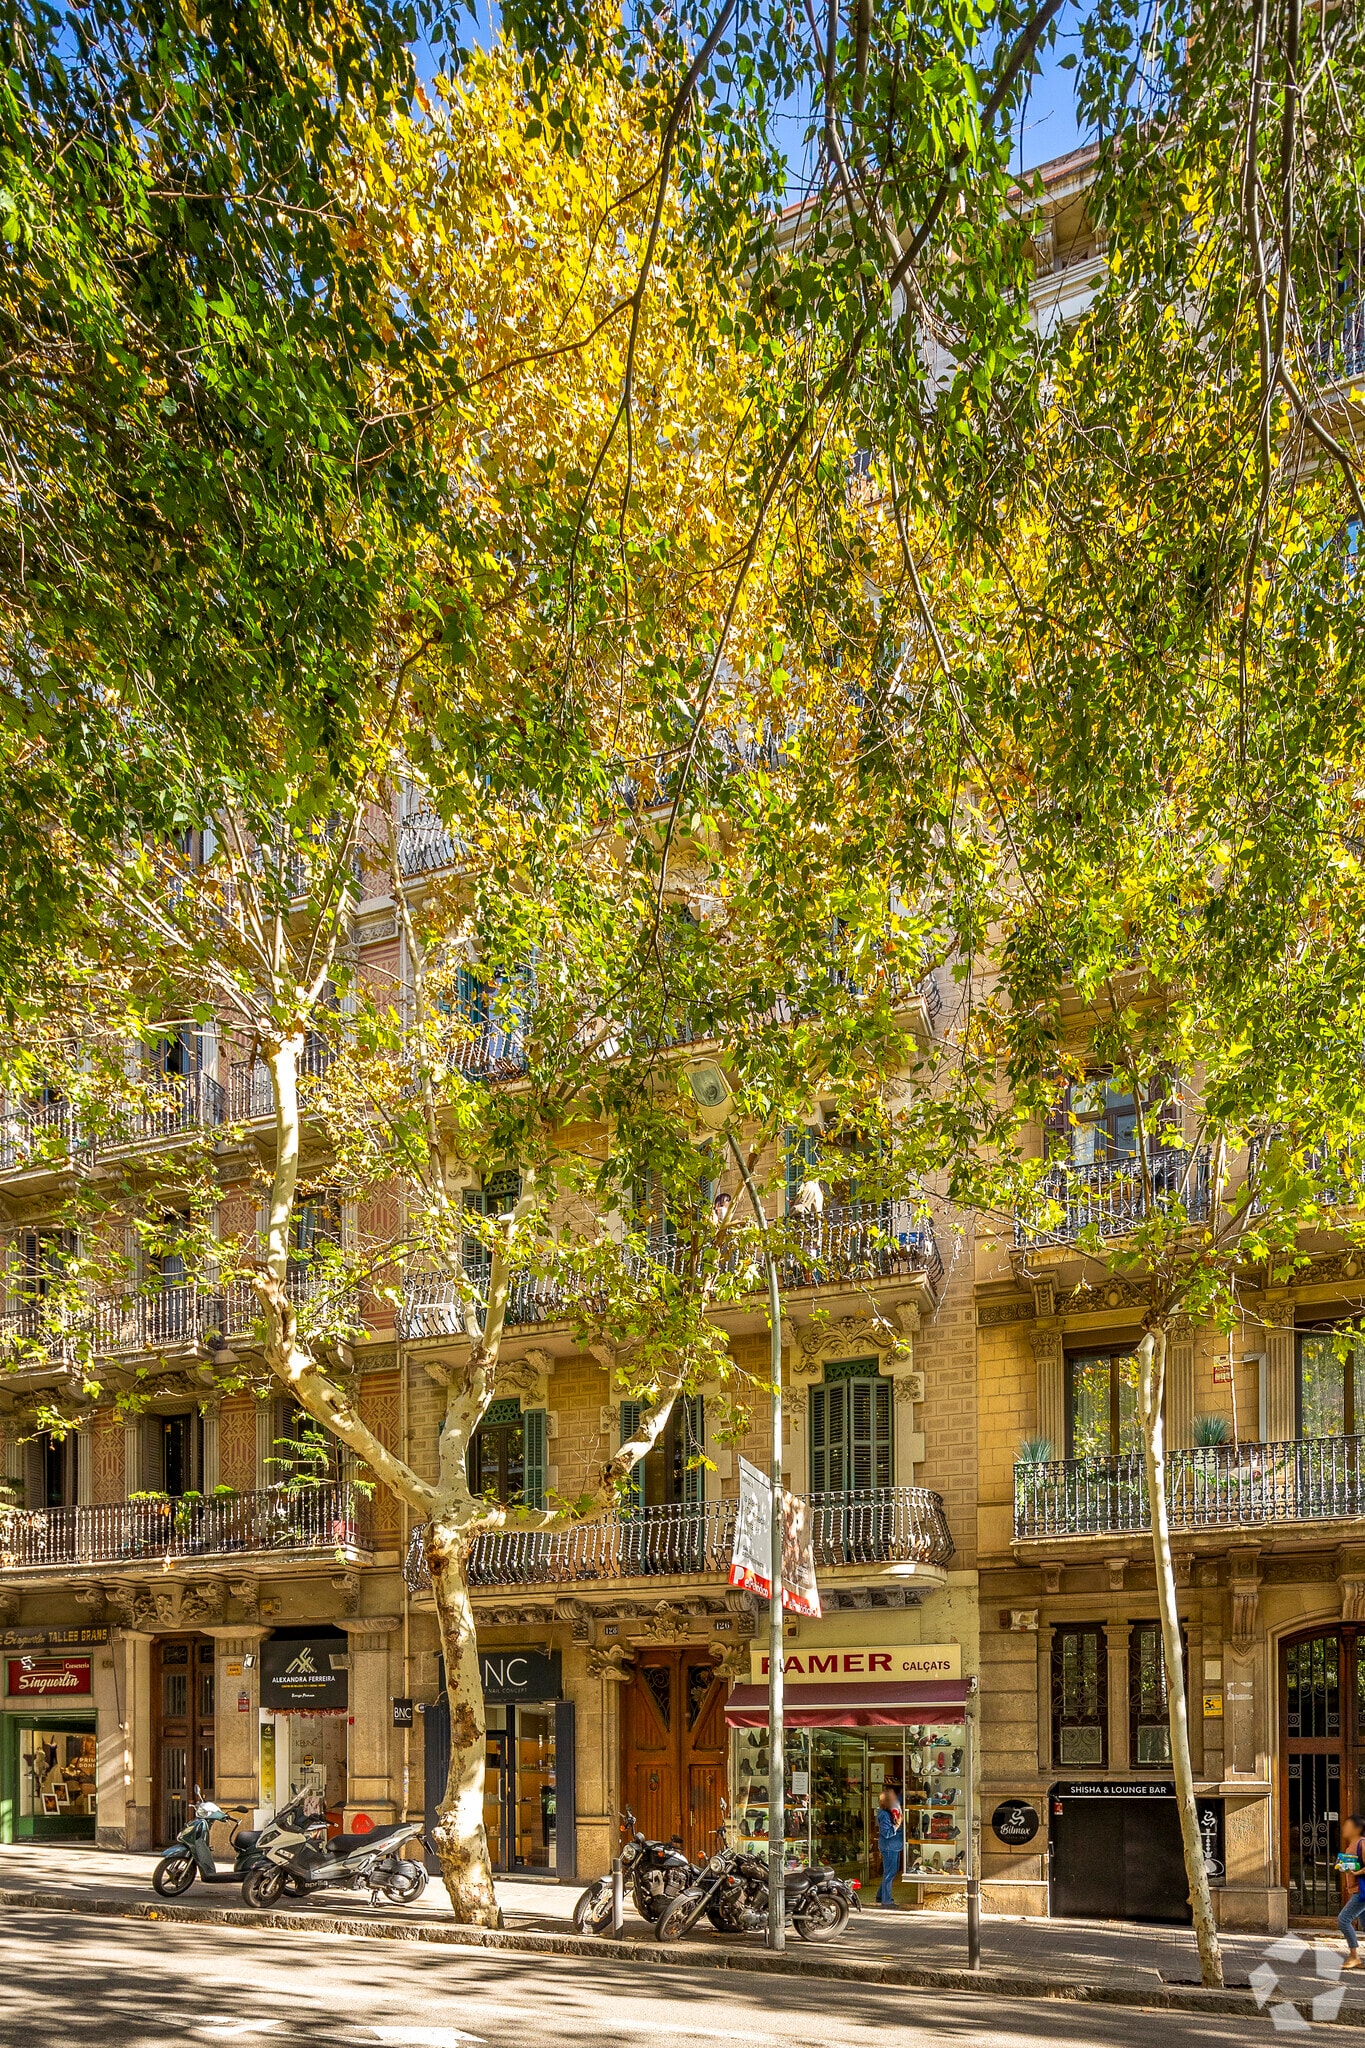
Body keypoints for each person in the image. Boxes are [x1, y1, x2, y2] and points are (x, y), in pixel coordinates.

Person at [1339, 1815, 1365, 1968]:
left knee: (1343, 1920)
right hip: (1357, 1890)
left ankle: (1354, 1956)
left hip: (1362, 1892)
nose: (1344, 1828)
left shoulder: (1362, 1843)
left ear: (1357, 1829)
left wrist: (1357, 1873)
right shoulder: (1352, 1845)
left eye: (1347, 1825)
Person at [876, 1787, 904, 1908]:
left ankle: (880, 1896)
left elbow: (900, 1798)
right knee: (890, 1873)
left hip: (894, 1845)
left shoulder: (892, 1809)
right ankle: (886, 1901)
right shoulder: (884, 1814)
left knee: (891, 1871)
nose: (895, 1798)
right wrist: (897, 1824)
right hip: (889, 1846)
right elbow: (886, 1833)